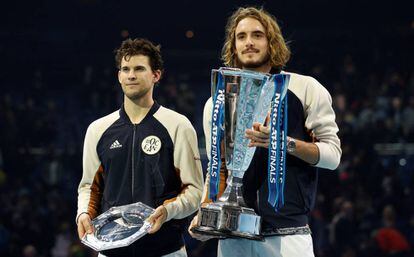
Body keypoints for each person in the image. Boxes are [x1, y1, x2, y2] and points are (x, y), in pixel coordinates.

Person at [189, 6, 341, 257]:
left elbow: (333, 157)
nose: (249, 42)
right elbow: (217, 167)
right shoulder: (216, 101)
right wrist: (206, 210)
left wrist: (283, 143)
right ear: (233, 45)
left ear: (272, 42)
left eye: (257, 35)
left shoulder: (304, 88)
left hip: (288, 235)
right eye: (241, 36)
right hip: (233, 235)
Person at [76, 38, 204, 257]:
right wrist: (82, 214)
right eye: (125, 69)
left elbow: (194, 191)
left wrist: (167, 211)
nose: (131, 75)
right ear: (119, 76)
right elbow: (89, 186)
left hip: (165, 249)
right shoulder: (98, 130)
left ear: (156, 75)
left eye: (139, 68)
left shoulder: (177, 126)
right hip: (111, 251)